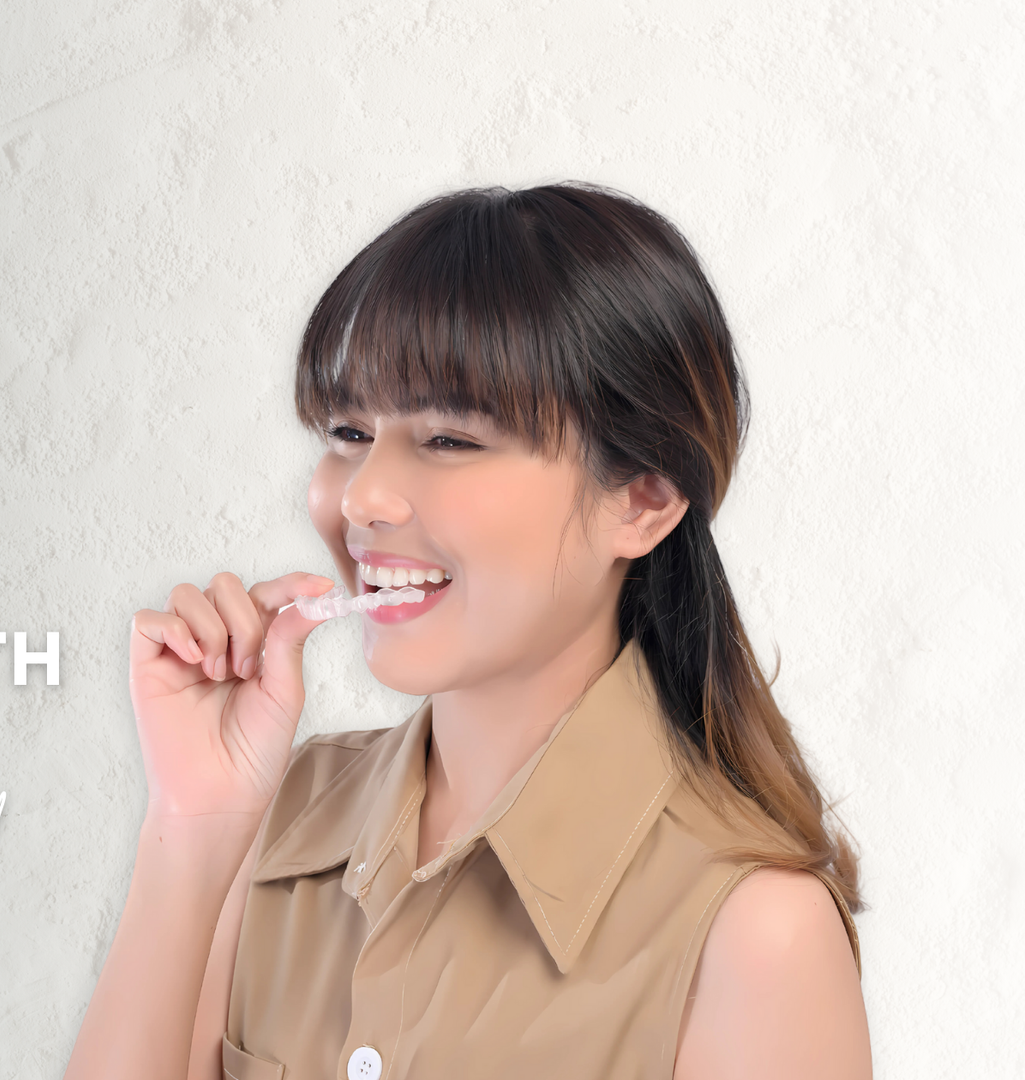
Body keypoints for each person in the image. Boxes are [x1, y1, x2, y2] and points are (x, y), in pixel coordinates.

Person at [64, 184, 870, 1080]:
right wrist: (192, 823)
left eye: (449, 439)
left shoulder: (756, 933)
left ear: (642, 500)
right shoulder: (277, 820)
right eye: (347, 430)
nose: (364, 496)